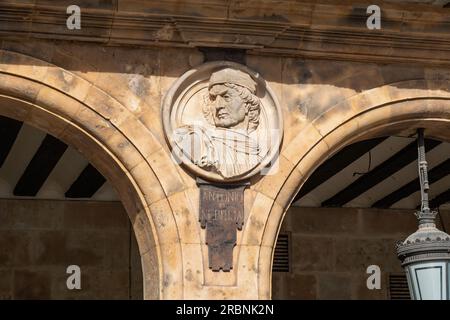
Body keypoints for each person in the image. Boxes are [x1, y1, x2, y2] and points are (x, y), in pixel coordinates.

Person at [173, 68, 263, 179]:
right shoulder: (197, 140)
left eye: (226, 97)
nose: (218, 105)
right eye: (213, 98)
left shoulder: (255, 154)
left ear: (247, 105)